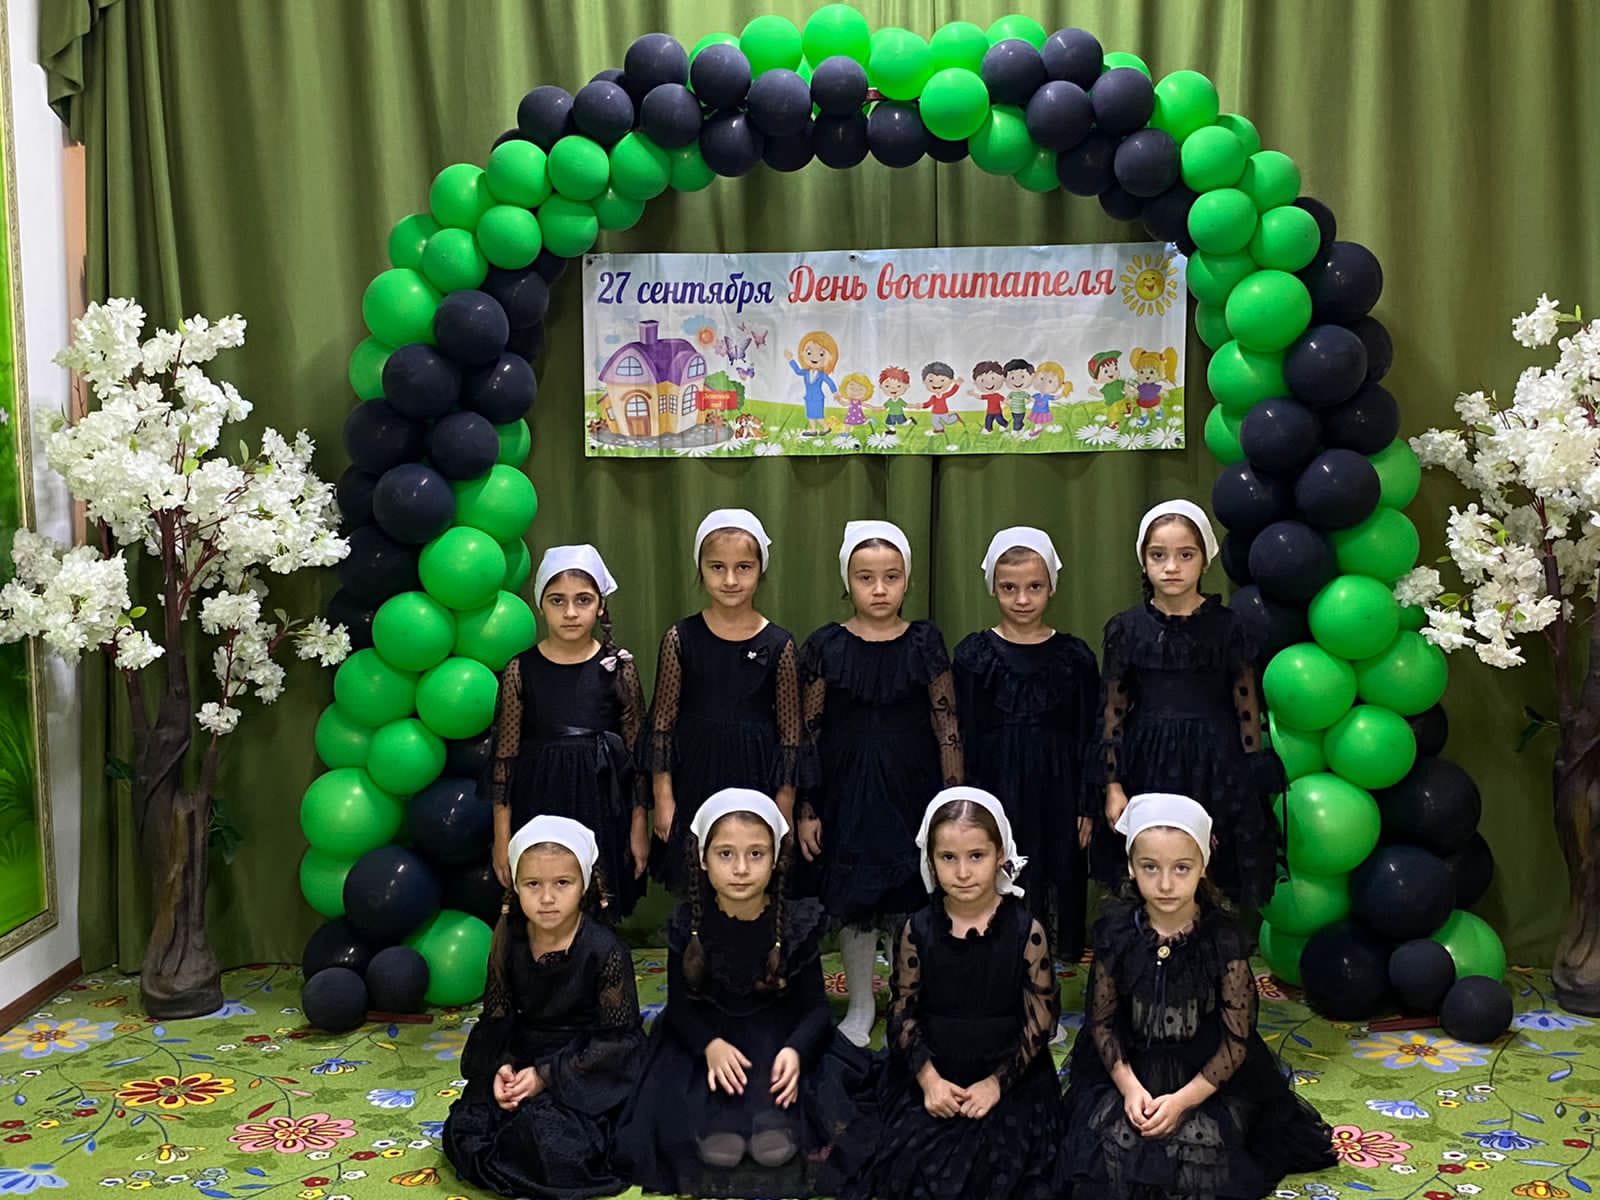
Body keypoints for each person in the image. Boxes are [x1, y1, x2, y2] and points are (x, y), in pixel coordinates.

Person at [1062, 792, 1337, 1199]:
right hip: (1131, 1068)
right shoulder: (1115, 933)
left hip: (1204, 1076)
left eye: (1181, 868)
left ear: (1203, 867)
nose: (1166, 883)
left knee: (1201, 1157)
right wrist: (1131, 1089)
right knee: (1108, 1152)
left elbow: (1236, 1041)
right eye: (1150, 867)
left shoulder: (1221, 940)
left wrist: (1182, 1101)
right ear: (1131, 867)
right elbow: (1101, 1024)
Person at [613, 789, 868, 1197]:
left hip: (777, 1038)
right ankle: (723, 1123)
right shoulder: (686, 924)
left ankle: (769, 1120)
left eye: (756, 854)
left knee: (778, 1145)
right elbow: (680, 1010)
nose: (741, 869)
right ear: (703, 858)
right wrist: (709, 1046)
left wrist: (796, 1051)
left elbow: (817, 1009)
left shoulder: (795, 923)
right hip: (709, 1042)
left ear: (775, 858)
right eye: (726, 854)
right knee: (715, 1147)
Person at [841, 788, 1066, 1200]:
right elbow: (902, 1013)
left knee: (1005, 1166)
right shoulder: (917, 929)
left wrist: (996, 1083)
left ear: (1000, 855)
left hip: (1010, 1071)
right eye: (948, 858)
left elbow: (1040, 1022)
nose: (963, 872)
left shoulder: (1026, 931)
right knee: (914, 1164)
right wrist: (928, 1080)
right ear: (931, 861)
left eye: (976, 856)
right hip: (934, 1064)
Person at [799, 521, 963, 1047]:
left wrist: (953, 801)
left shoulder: (924, 642)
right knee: (857, 898)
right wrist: (807, 806)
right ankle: (861, 1003)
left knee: (907, 893)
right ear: (847, 581)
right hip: (845, 790)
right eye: (865, 577)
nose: (879, 589)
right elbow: (807, 730)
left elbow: (946, 723)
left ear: (906, 580)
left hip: (911, 788)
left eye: (891, 577)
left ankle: (905, 998)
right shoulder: (826, 645)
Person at [1090, 500, 1286, 908]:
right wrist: (1113, 785)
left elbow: (1247, 709)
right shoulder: (1127, 629)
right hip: (1147, 765)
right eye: (1158, 555)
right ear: (1143, 561)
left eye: (1185, 555)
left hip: (1215, 763)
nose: (1171, 567)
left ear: (1204, 560)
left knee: (1209, 876)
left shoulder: (1229, 628)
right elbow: (1112, 713)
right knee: (1153, 868)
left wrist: (1249, 776)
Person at [443, 816, 644, 1200]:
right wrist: (501, 1067)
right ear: (516, 886)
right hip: (526, 1053)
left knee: (555, 1143)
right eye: (533, 884)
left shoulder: (605, 950)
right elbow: (497, 1018)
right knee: (469, 1128)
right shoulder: (509, 941)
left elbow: (618, 1041)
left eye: (562, 883)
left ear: (584, 885)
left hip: (587, 1064)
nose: (547, 898)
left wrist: (547, 1076)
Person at [643, 508, 807, 895]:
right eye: (717, 567)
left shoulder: (779, 644)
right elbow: (662, 724)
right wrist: (663, 797)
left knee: (751, 877)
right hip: (695, 772)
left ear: (760, 571)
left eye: (743, 567)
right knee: (697, 878)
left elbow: (791, 734)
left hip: (756, 773)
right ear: (700, 570)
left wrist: (784, 801)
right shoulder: (680, 638)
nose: (730, 580)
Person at [954, 528, 1100, 961]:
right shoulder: (973, 656)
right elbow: (959, 733)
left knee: (1054, 875)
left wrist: (1087, 803)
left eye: (1034, 587)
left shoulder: (1076, 657)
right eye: (1009, 588)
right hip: (995, 788)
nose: (1022, 599)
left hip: (1058, 791)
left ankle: (1046, 977)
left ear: (1051, 586)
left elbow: (1091, 734)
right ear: (992, 588)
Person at [490, 545, 648, 917]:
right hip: (539, 800)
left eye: (583, 600)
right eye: (558, 601)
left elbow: (637, 758)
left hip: (601, 801)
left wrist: (639, 825)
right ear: (541, 605)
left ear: (601, 606)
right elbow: (504, 761)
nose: (571, 612)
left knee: (598, 901)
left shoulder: (618, 668)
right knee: (547, 901)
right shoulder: (520, 670)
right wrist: (502, 836)